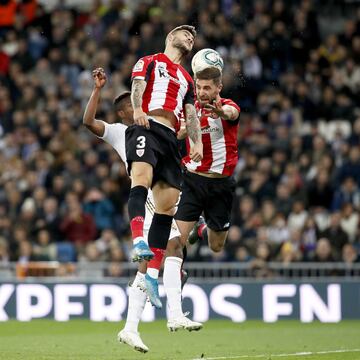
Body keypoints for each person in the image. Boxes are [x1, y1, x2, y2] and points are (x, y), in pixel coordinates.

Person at [83, 68, 202, 353]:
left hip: (162, 192)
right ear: (123, 112)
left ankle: (155, 320)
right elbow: (88, 122)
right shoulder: (119, 132)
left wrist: (183, 132)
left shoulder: (159, 129)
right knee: (163, 255)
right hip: (146, 197)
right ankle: (144, 323)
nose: (132, 103)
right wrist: (97, 90)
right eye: (126, 103)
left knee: (173, 250)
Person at [126, 25, 203, 310]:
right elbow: (138, 86)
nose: (190, 38)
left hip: (171, 139)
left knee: (165, 208)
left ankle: (151, 278)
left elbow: (191, 113)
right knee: (140, 181)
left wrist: (196, 141)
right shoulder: (149, 61)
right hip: (147, 127)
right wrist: (137, 109)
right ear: (170, 37)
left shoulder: (187, 79)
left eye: (193, 37)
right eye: (185, 33)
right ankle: (137, 241)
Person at [163, 67, 240, 327]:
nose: (202, 92)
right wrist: (180, 133)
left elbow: (232, 113)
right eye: (199, 87)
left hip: (221, 186)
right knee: (175, 242)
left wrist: (220, 111)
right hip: (193, 183)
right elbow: (176, 131)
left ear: (218, 88)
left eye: (208, 87)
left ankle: (204, 225)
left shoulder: (227, 107)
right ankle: (178, 278)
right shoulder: (189, 110)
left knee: (216, 246)